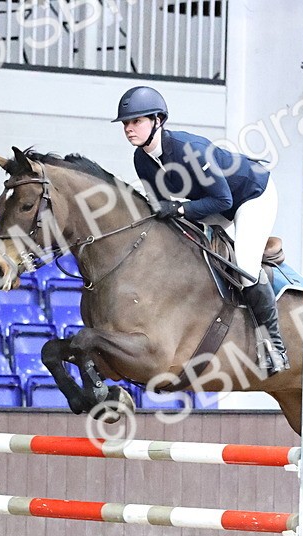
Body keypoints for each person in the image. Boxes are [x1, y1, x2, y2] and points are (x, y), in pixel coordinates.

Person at [113, 85, 289, 376]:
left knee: (244, 267)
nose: (129, 128)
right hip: (213, 205)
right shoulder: (141, 160)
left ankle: (275, 348)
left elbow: (224, 200)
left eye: (136, 121)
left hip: (250, 196)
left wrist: (180, 209)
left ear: (158, 120)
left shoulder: (189, 149)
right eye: (126, 123)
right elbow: (160, 207)